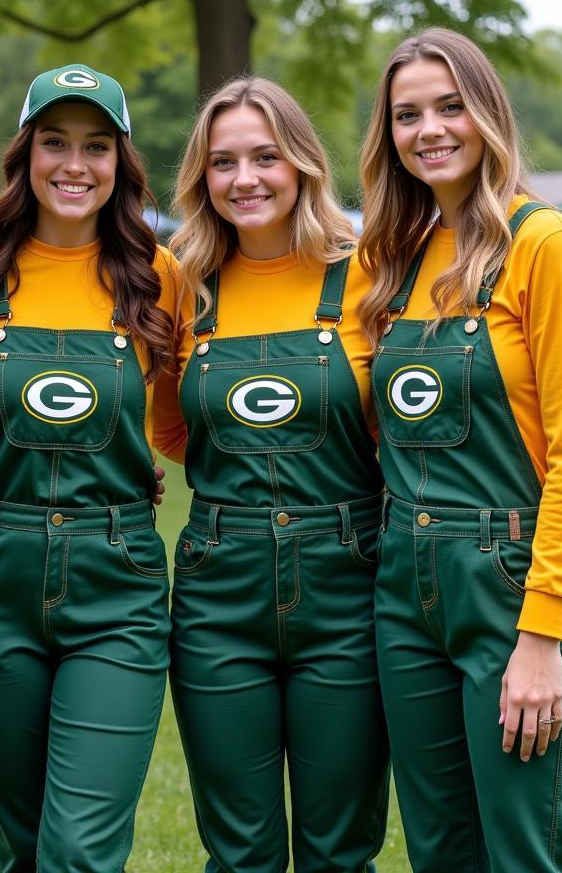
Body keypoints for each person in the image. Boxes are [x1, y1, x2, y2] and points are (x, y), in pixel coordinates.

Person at [358, 27, 562, 872]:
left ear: (488, 113)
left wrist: (541, 634)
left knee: (525, 851)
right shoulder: (391, 260)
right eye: (407, 114)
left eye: (450, 106)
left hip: (512, 585)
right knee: (439, 851)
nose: (429, 128)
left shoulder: (545, 246)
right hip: (404, 590)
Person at [0, 64, 180, 872]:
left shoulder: (159, 278)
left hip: (120, 583)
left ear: (121, 163)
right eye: (56, 143)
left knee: (79, 850)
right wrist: (9, 488)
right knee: (23, 844)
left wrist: (121, 477)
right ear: (24, 155)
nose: (75, 164)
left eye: (96, 147)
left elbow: (186, 426)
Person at [163, 77, 389, 871]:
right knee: (239, 847)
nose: (245, 178)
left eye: (265, 156)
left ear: (303, 164)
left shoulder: (371, 277)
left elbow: (421, 420)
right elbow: (165, 421)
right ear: (201, 179)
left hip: (351, 584)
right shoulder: (180, 285)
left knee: (340, 844)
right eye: (222, 162)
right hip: (219, 591)